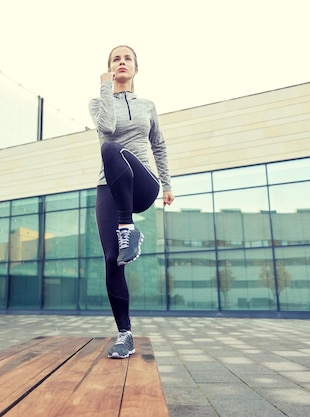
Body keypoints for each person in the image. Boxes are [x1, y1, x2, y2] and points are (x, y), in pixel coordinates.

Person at [89, 45, 174, 359]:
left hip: (143, 184)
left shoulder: (147, 106)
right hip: (108, 188)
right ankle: (125, 334)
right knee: (112, 258)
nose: (121, 62)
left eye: (127, 59)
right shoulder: (99, 102)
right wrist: (105, 89)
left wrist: (167, 184)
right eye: (115, 59)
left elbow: (159, 145)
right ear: (109, 69)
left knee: (112, 150)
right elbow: (108, 128)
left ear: (136, 69)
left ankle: (128, 227)